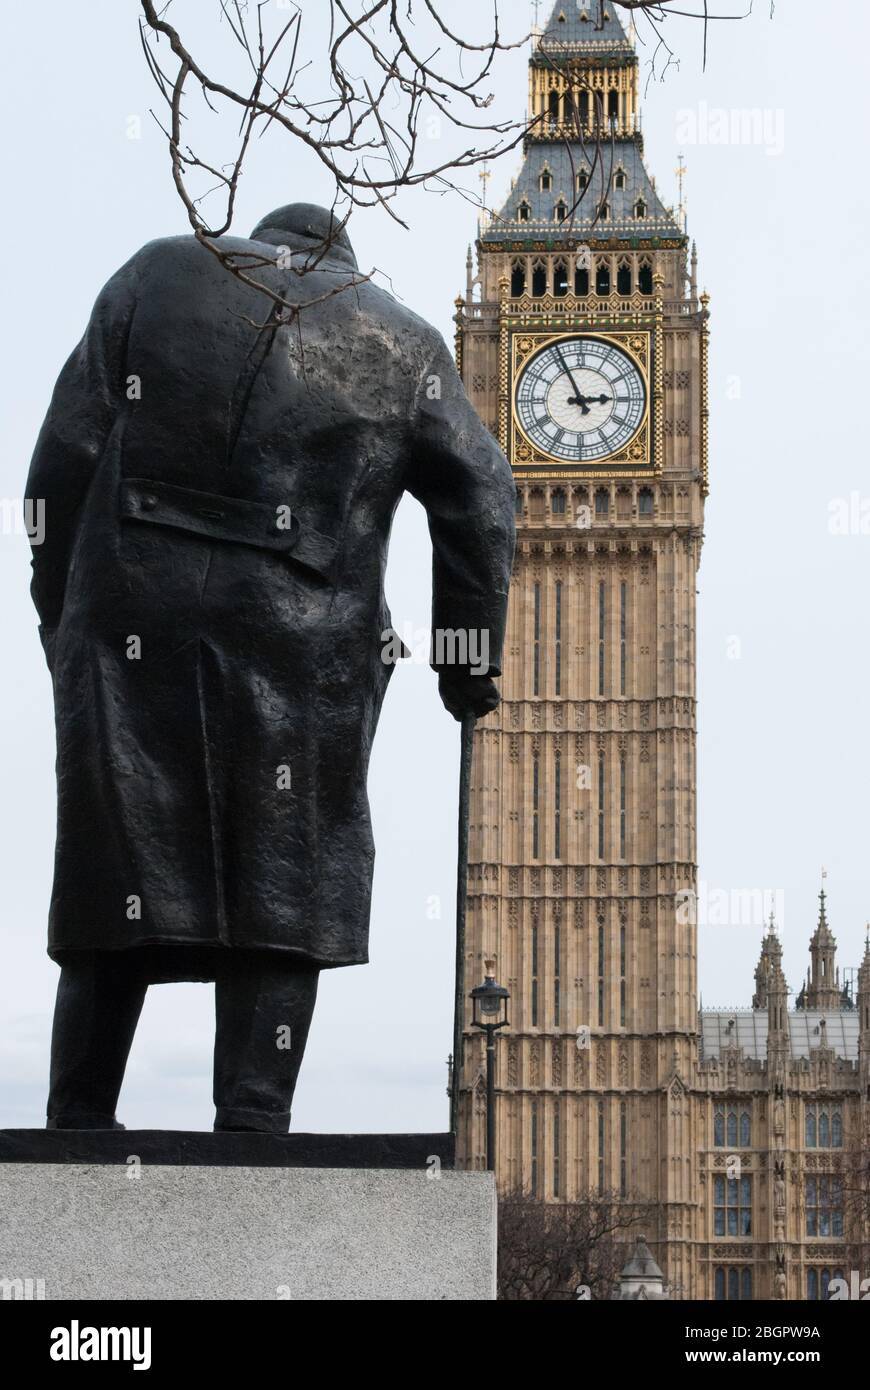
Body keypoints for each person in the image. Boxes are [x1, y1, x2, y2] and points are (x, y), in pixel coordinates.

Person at [26, 203, 515, 1132]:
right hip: (305, 639)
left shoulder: (154, 270)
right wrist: (462, 660)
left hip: (128, 614)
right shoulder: (398, 337)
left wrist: (60, 603)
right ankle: (253, 1120)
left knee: (117, 868)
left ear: (263, 241)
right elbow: (486, 496)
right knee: (289, 876)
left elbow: (61, 459)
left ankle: (76, 1123)